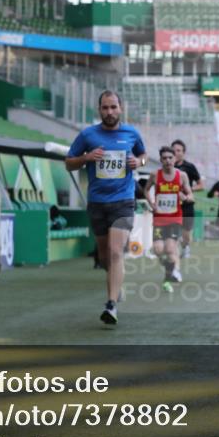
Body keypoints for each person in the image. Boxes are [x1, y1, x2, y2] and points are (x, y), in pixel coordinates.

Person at [66, 90, 147, 325]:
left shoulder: (131, 133)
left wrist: (138, 162)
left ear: (120, 108)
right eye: (105, 108)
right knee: (104, 257)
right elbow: (69, 163)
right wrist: (86, 158)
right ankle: (116, 285)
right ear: (99, 110)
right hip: (97, 202)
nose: (109, 112)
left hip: (123, 201)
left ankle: (111, 305)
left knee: (114, 251)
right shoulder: (88, 135)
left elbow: (143, 154)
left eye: (113, 107)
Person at [145, 146, 193, 293]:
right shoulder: (154, 175)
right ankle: (169, 272)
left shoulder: (182, 176)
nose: (167, 161)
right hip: (159, 219)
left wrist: (185, 197)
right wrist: (151, 202)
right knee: (159, 250)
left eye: (170, 158)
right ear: (160, 160)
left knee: (170, 248)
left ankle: (171, 274)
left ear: (175, 159)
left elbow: (191, 196)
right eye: (164, 158)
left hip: (175, 219)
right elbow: (146, 189)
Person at [171, 140, 203, 259]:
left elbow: (201, 185)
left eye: (178, 150)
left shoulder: (189, 167)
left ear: (183, 153)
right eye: (174, 150)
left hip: (186, 203)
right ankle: (172, 249)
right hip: (171, 204)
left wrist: (188, 190)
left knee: (186, 232)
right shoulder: (167, 166)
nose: (176, 153)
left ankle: (186, 246)